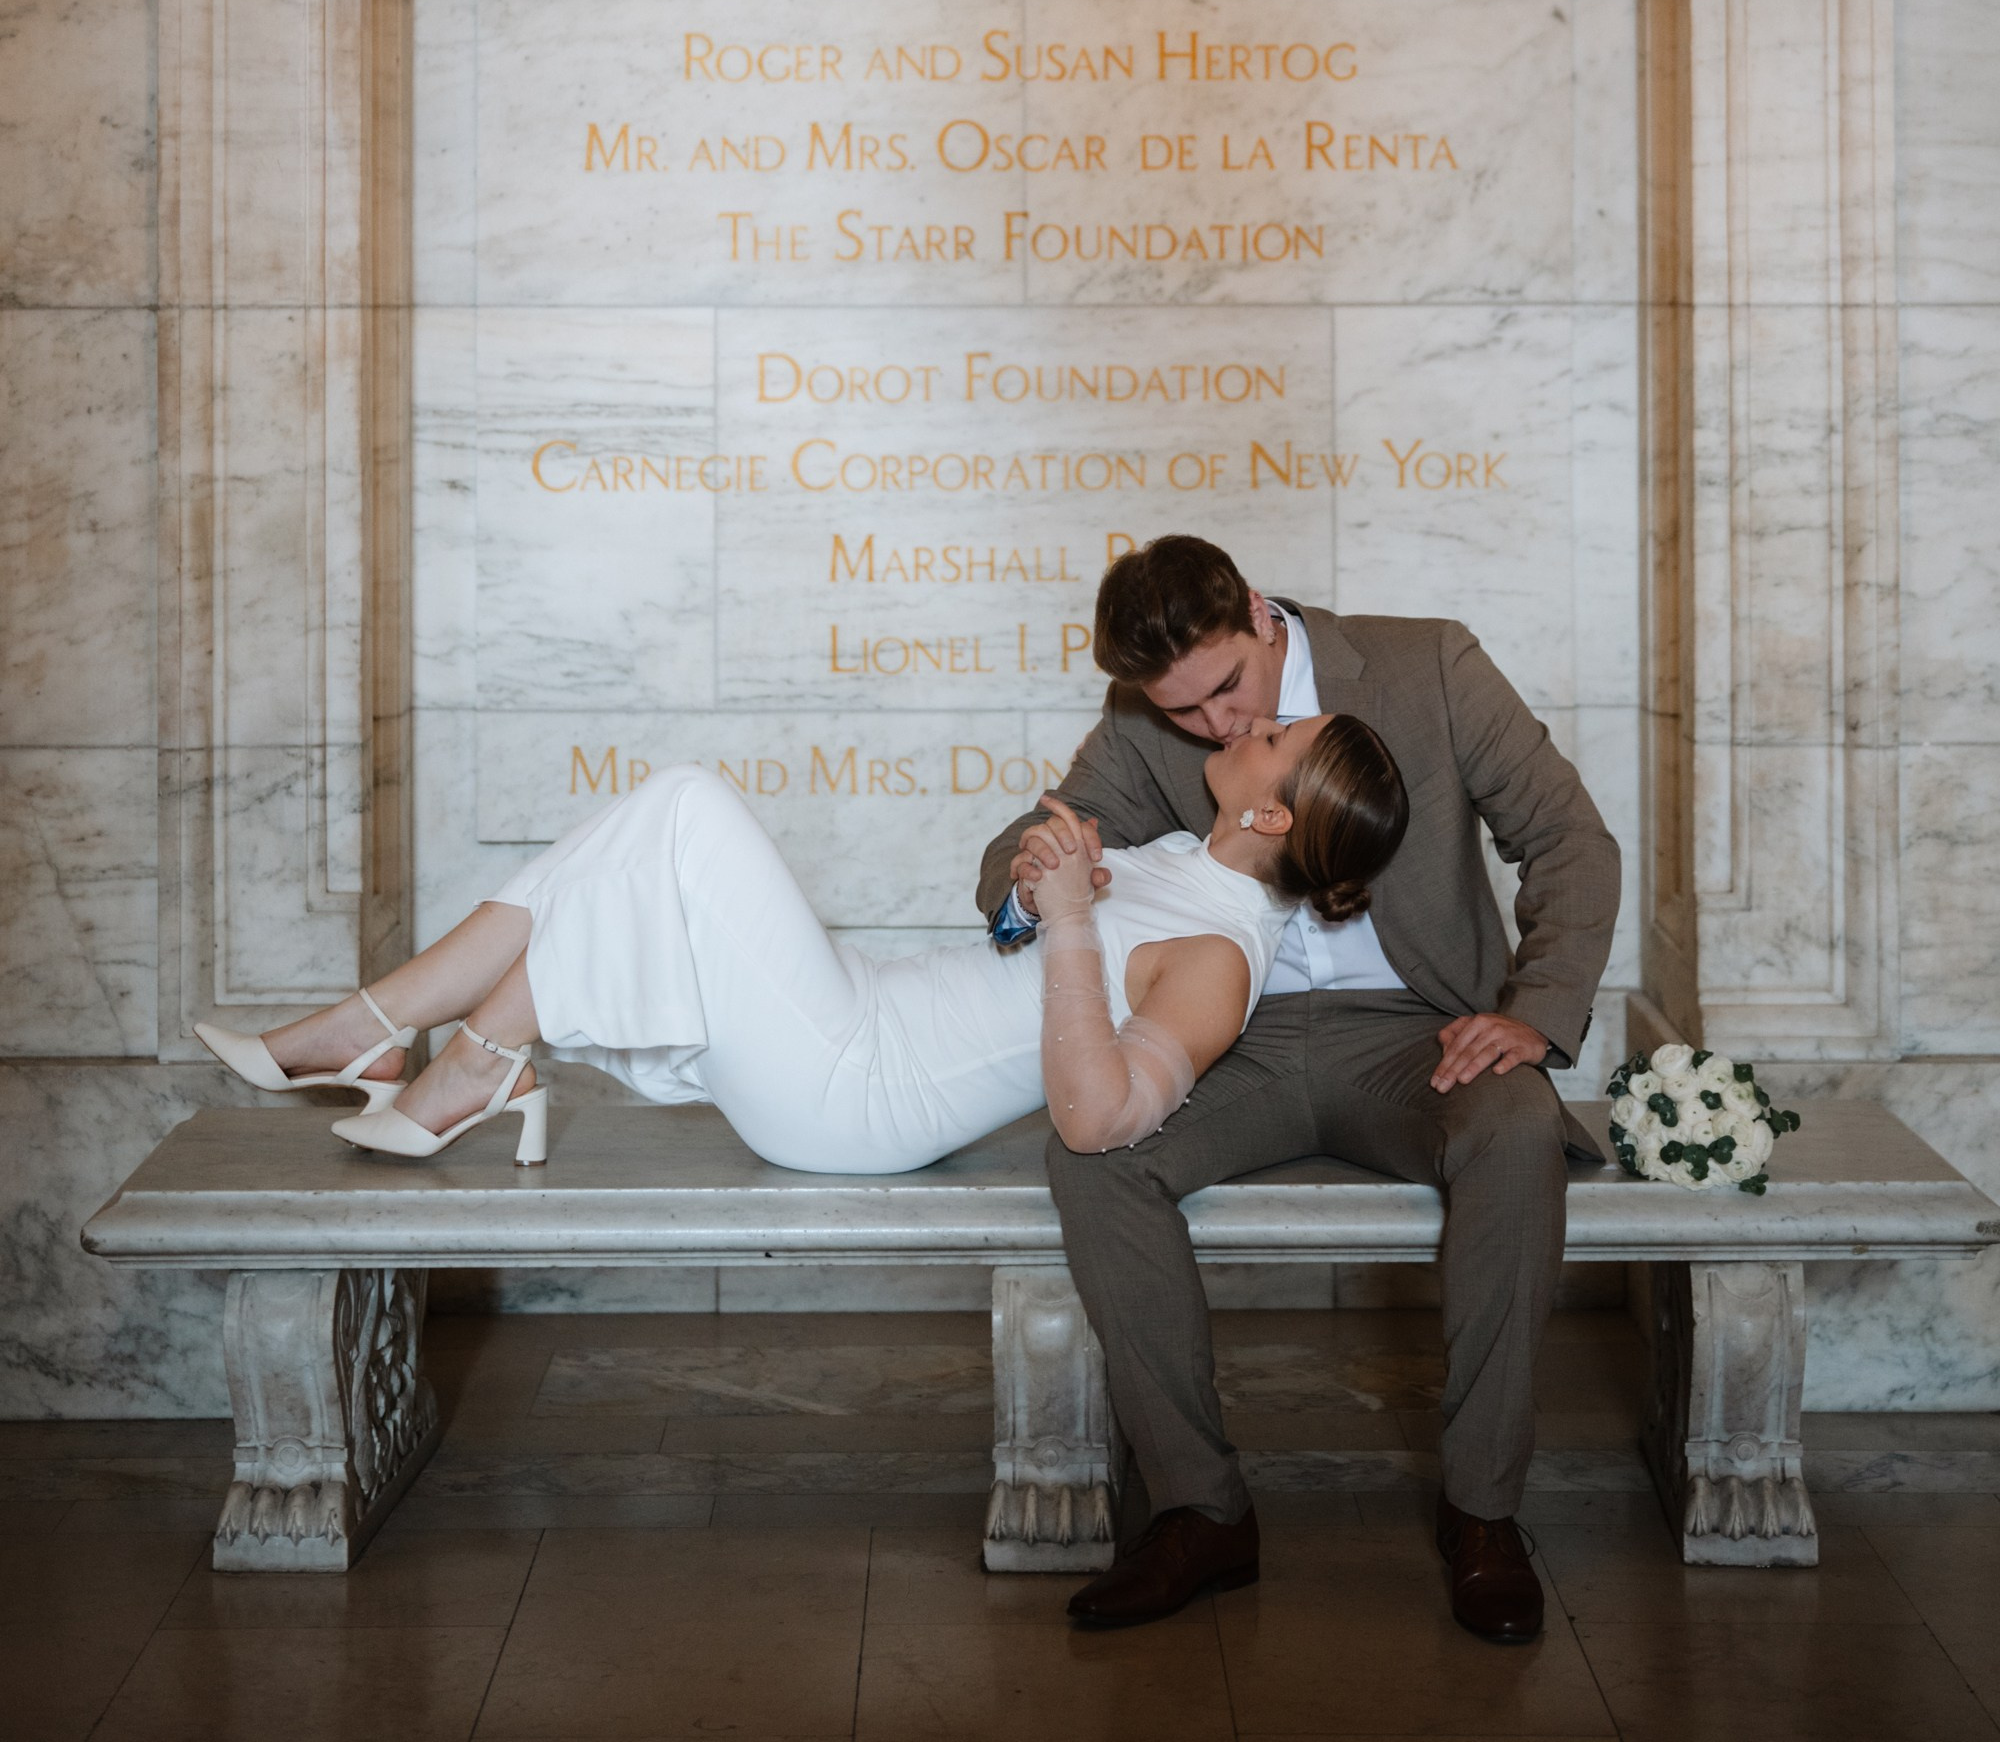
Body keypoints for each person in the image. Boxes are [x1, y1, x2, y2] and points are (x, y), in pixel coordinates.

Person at [978, 534, 1620, 1643]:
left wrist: (1531, 1012)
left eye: (1228, 688)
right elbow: (1008, 859)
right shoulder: (1146, 723)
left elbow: (1567, 839)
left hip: (1419, 1032)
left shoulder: (1427, 666)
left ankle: (1481, 1512)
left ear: (1261, 615)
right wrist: (1039, 877)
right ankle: (1198, 1510)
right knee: (1096, 1156)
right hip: (1238, 1038)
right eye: (1183, 713)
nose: (1216, 727)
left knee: (1514, 1134)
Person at [195, 707, 1408, 1191]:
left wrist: (1078, 920)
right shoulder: (1175, 866)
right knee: (636, 859)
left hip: (852, 1097)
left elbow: (1100, 1115)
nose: (1251, 720)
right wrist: (1045, 896)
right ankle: (454, 1058)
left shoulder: (1220, 961)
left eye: (1274, 735)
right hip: (860, 1014)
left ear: (1272, 816)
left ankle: (398, 1041)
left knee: (679, 807)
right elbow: (1014, 959)